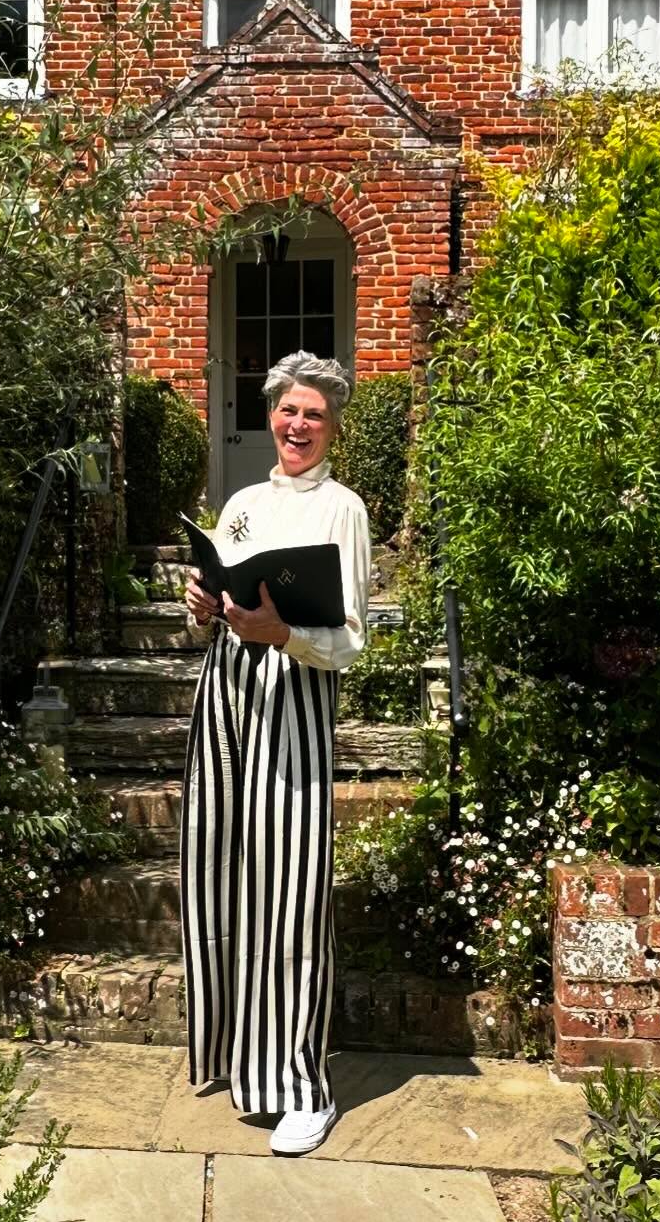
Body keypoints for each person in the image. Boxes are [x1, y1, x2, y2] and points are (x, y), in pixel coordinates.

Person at [180, 350, 372, 1156]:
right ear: (270, 413)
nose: (297, 425)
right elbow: (222, 594)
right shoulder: (244, 502)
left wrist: (281, 633)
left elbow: (353, 639)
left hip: (290, 696)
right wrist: (200, 607)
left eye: (314, 415)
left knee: (287, 883)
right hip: (223, 691)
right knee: (217, 865)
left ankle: (299, 1083)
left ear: (331, 425)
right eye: (288, 410)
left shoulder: (343, 509)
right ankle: (233, 1050)